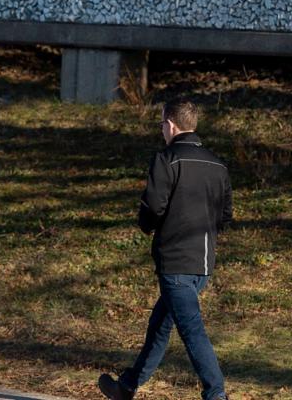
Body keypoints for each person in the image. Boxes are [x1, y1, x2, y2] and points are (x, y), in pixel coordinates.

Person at [98, 99, 232, 400]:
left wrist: (147, 226)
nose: (161, 129)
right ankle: (127, 386)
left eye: (161, 123)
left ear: (171, 125)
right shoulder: (217, 164)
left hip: (176, 264)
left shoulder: (167, 159)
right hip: (204, 265)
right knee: (160, 325)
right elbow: (225, 216)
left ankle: (217, 395)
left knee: (191, 332)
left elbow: (153, 206)